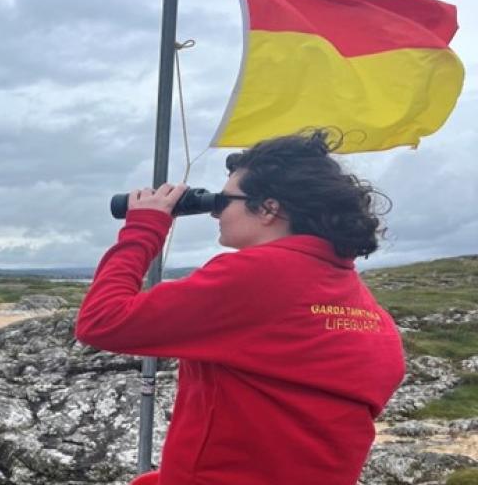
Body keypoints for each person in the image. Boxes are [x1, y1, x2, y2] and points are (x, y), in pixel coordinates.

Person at [75, 130, 406, 485]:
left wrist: (144, 228)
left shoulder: (259, 275)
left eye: (223, 201)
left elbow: (101, 319)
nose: (215, 213)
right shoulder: (360, 303)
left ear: (268, 209)